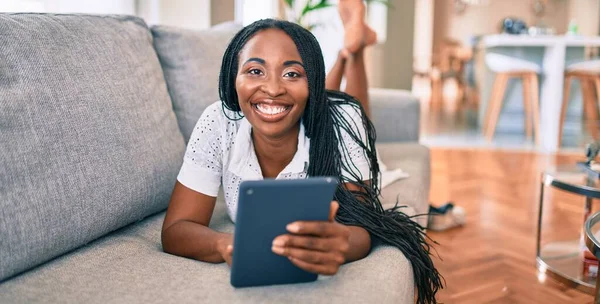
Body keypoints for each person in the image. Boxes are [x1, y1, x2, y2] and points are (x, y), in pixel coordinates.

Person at [160, 17, 441, 304]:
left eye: (292, 74)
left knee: (349, 110)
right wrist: (227, 245)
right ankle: (346, 53)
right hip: (314, 111)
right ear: (233, 79)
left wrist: (341, 243)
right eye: (255, 70)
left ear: (311, 80)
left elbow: (362, 223)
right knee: (317, 105)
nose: (272, 88)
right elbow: (176, 230)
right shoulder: (217, 121)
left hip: (338, 131)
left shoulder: (343, 124)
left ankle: (352, 54)